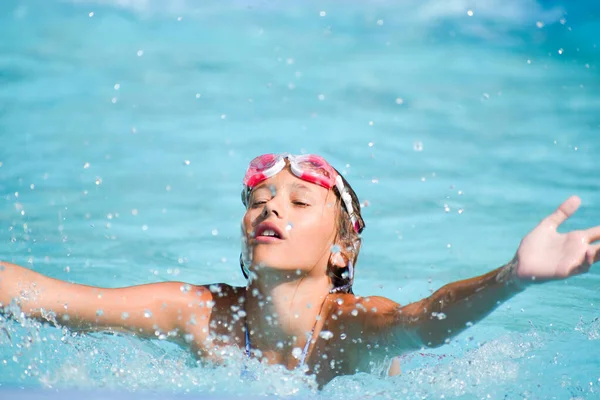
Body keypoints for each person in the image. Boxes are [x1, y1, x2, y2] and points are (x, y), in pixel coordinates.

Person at [0, 153, 598, 387]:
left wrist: (512, 277)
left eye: (298, 201)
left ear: (341, 250)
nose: (271, 207)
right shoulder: (205, 314)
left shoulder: (348, 328)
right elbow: (50, 299)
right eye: (259, 201)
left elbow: (425, 322)